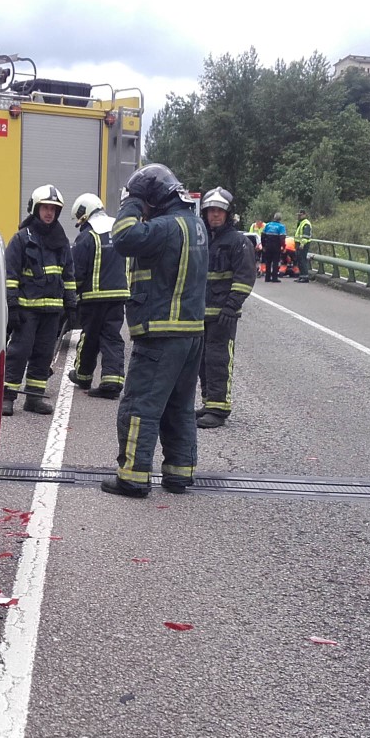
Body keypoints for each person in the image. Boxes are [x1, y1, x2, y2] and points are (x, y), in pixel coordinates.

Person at [101, 164, 208, 498]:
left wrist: (131, 201)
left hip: (161, 332)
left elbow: (122, 237)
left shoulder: (164, 227)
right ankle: (179, 473)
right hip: (191, 334)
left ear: (153, 198)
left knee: (139, 405)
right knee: (179, 406)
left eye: (144, 201)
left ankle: (132, 477)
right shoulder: (196, 225)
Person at [4, 184, 77, 416]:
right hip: (26, 310)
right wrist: (12, 305)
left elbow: (69, 275)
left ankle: (34, 398)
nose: (49, 213)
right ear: (35, 209)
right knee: (19, 352)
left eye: (53, 209)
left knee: (44, 354)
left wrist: (72, 304)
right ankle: (7, 397)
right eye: (45, 208)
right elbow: (11, 274)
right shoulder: (21, 239)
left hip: (53, 311)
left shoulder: (61, 240)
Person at [196, 187, 256, 429]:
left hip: (223, 315)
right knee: (202, 361)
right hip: (200, 314)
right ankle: (209, 403)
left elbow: (245, 277)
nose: (215, 215)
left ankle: (219, 409)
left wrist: (231, 307)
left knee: (218, 359)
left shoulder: (238, 242)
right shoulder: (202, 240)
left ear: (228, 214)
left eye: (219, 211)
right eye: (211, 211)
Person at [68, 193, 128, 399]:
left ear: (84, 212)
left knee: (89, 336)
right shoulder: (118, 228)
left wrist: (71, 294)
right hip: (119, 294)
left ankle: (83, 375)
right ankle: (112, 381)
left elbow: (77, 270)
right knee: (112, 336)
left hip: (93, 296)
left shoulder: (87, 235)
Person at [260, 213, 287, 283]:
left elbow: (262, 236)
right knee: (275, 261)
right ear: (280, 219)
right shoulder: (281, 226)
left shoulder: (268, 225)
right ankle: (274, 278)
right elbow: (282, 238)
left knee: (268, 261)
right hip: (276, 246)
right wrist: (283, 247)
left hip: (268, 245)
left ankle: (267, 277)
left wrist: (263, 246)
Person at [294, 209, 313, 283]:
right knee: (299, 260)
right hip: (299, 244)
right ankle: (301, 276)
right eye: (298, 215)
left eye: (300, 215)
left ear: (305, 215)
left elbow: (306, 235)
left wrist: (302, 244)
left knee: (303, 260)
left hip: (303, 244)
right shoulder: (300, 222)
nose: (299, 216)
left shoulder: (306, 223)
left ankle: (305, 277)